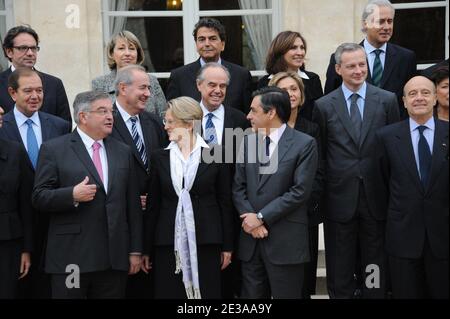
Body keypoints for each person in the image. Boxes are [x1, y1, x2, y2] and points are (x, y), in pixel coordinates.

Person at [32, 91, 143, 299]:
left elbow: (132, 206)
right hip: (71, 259)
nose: (110, 116)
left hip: (113, 259)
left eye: (111, 111)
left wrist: (135, 250)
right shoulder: (54, 149)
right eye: (102, 111)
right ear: (83, 116)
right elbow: (39, 196)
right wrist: (71, 195)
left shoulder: (123, 151)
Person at [313, 43, 400, 299]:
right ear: (338, 69)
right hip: (339, 199)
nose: (358, 70)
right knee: (340, 265)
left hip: (376, 197)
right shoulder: (324, 106)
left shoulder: (387, 100)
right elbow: (322, 155)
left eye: (362, 64)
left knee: (374, 264)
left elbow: (394, 151)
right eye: (351, 65)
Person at [143, 96, 233, 299]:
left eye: (170, 121)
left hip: (207, 240)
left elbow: (225, 202)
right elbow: (153, 206)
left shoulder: (216, 153)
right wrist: (146, 249)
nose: (165, 126)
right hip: (167, 242)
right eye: (165, 121)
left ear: (190, 124)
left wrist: (227, 245)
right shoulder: (159, 157)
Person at [233, 86, 318, 298]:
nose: (248, 115)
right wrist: (251, 221)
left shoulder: (304, 144)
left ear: (271, 113)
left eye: (254, 110)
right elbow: (238, 186)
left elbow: (299, 191)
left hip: (285, 242)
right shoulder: (248, 141)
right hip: (251, 242)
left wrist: (261, 218)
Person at [374, 76, 448, 299]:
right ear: (404, 101)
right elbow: (380, 186)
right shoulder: (386, 137)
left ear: (435, 98)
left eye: (425, 93)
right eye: (412, 94)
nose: (419, 98)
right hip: (402, 238)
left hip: (443, 238)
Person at [0, 67, 71, 298]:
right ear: (12, 93)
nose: (35, 96)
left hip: (53, 221)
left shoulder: (59, 125)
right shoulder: (2, 127)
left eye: (40, 91)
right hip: (15, 226)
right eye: (28, 91)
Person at [110, 64, 167, 298]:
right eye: (143, 88)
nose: (148, 93)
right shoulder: (105, 122)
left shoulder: (153, 122)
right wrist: (132, 199)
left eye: (149, 88)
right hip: (119, 225)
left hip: (152, 223)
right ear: (123, 88)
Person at [268, 72, 324, 299]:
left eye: (294, 89)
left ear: (302, 95)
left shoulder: (311, 128)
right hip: (268, 217)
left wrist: (300, 206)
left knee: (302, 284)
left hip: (302, 216)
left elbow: (318, 174)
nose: (290, 94)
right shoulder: (260, 129)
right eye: (284, 89)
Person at [196, 62, 249, 298]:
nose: (218, 90)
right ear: (199, 85)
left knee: (229, 280)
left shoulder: (240, 120)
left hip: (232, 210)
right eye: (212, 85)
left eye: (223, 86)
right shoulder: (186, 118)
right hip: (195, 211)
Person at [324, 0, 416, 119]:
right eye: (380, 21)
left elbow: (410, 98)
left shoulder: (406, 58)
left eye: (390, 21)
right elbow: (331, 101)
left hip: (393, 131)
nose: (387, 27)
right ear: (365, 23)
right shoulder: (342, 58)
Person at [166, 18, 253, 114]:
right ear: (196, 44)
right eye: (202, 39)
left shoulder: (241, 76)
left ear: (222, 44)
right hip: (194, 129)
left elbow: (248, 117)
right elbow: (172, 116)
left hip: (231, 129)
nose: (207, 44)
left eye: (212, 39)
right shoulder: (179, 76)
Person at [0, 25, 71, 122]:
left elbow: (65, 125)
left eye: (33, 48)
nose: (30, 53)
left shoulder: (54, 84)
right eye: (23, 48)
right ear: (9, 52)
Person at [91, 30, 167, 118]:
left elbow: (163, 116)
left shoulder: (152, 81)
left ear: (138, 54)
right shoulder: (99, 84)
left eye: (131, 48)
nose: (127, 53)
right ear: (112, 53)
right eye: (121, 48)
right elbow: (97, 120)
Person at [0, 106, 33, 299]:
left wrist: (26, 249)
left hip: (8, 243)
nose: (2, 114)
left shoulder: (15, 151)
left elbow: (26, 205)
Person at [258, 31, 323, 121]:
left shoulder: (313, 79)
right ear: (280, 50)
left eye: (302, 48)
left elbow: (319, 115)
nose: (300, 53)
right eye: (293, 48)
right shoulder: (264, 83)